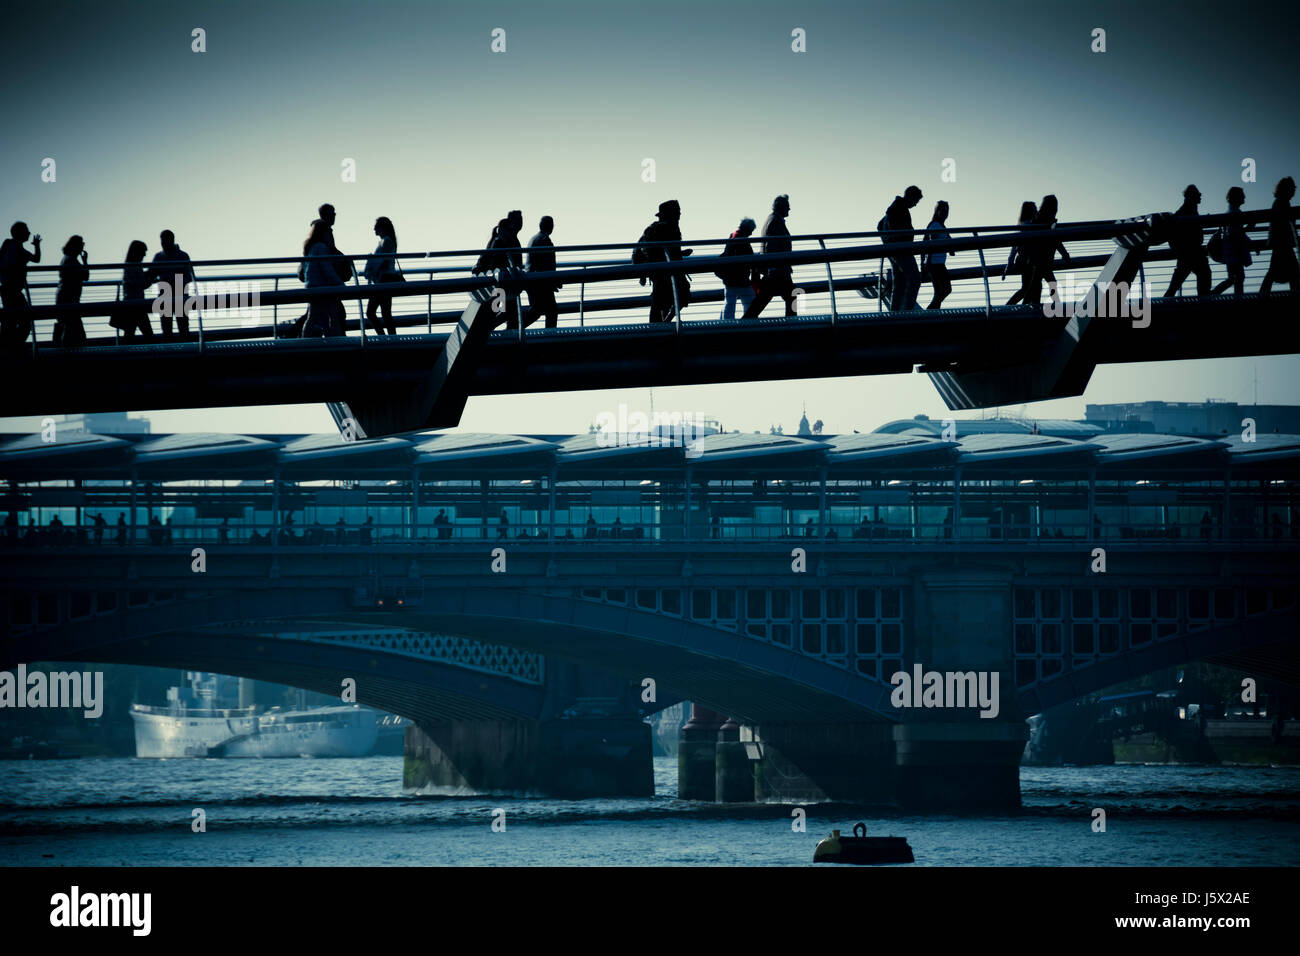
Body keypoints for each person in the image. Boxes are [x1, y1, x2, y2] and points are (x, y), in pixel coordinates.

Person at [633, 200, 691, 323]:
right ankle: (664, 323)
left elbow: (642, 249)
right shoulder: (670, 228)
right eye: (677, 212)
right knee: (679, 293)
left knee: (661, 300)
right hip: (665, 270)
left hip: (657, 270)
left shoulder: (653, 228)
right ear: (671, 214)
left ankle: (660, 325)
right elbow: (666, 251)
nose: (679, 215)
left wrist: (642, 274)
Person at [742, 195, 796, 318]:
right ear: (781, 207)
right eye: (787, 206)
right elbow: (770, 245)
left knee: (764, 299)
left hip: (776, 269)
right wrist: (772, 268)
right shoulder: (774, 222)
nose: (789, 209)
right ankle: (793, 324)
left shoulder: (773, 220)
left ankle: (746, 321)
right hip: (777, 270)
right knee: (791, 296)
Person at [472, 211, 525, 329]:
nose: (521, 223)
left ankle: (496, 331)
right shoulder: (502, 240)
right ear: (511, 223)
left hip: (504, 281)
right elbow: (496, 262)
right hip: (500, 282)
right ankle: (486, 329)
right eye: (519, 220)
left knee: (508, 310)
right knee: (504, 310)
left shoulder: (506, 239)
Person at [301, 220, 350, 337]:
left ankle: (304, 343)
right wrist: (340, 284)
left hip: (313, 287)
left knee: (313, 316)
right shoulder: (321, 247)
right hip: (323, 287)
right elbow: (327, 269)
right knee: (333, 315)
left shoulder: (312, 248)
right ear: (323, 233)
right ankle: (336, 343)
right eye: (328, 232)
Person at [1164, 185, 1211, 297]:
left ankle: (1166, 300)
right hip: (1192, 251)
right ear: (1192, 196)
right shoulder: (1188, 210)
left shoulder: (1186, 209)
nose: (1200, 197)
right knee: (1203, 274)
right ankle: (1203, 302)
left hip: (1186, 251)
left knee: (1178, 279)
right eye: (1198, 195)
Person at [880, 186, 923, 310]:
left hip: (894, 250)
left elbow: (879, 225)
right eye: (916, 201)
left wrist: (887, 243)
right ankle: (907, 310)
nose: (915, 205)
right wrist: (905, 236)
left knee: (900, 282)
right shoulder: (899, 208)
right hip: (901, 250)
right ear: (910, 196)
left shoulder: (895, 207)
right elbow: (895, 229)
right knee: (915, 279)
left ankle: (895, 312)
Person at [148, 230, 195, 341]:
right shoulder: (182, 255)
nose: (163, 243)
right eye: (162, 241)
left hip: (173, 294)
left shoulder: (160, 257)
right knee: (173, 327)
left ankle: (173, 350)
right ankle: (183, 350)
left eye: (164, 240)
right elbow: (190, 276)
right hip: (174, 294)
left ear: (171, 240)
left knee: (178, 326)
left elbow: (150, 275)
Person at [0, 222, 40, 346]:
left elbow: (36, 259)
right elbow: (36, 259)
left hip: (9, 289)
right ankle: (12, 346)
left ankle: (9, 345)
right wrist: (37, 246)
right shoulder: (16, 248)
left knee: (10, 320)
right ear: (20, 232)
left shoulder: (11, 245)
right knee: (23, 319)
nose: (29, 233)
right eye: (27, 230)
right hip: (11, 289)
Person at [363, 216, 403, 335]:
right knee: (385, 312)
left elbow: (384, 262)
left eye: (376, 226)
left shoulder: (386, 241)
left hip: (383, 279)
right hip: (384, 279)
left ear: (382, 227)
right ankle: (391, 338)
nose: (374, 228)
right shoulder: (386, 241)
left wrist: (372, 270)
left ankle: (385, 337)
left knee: (371, 312)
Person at [1259, 176, 1298, 295]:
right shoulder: (1283, 203)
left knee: (1276, 270)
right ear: (1287, 189)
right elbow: (1284, 223)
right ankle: (1295, 294)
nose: (1293, 191)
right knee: (1293, 270)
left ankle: (1262, 294)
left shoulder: (1280, 202)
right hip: (1282, 241)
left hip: (1279, 242)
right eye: (1292, 188)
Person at [716, 217, 760, 320]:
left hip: (730, 279)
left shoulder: (733, 237)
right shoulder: (742, 241)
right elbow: (748, 258)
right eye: (751, 231)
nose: (751, 234)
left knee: (730, 304)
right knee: (750, 302)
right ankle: (750, 323)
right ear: (747, 229)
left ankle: (726, 324)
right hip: (741, 280)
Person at [1211, 187, 1251, 297]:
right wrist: (1248, 229)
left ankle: (1214, 294)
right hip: (1234, 252)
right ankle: (1237, 299)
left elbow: (1236, 232)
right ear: (1236, 197)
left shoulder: (1231, 211)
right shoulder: (1234, 212)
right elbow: (1236, 233)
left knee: (1233, 278)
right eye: (1242, 195)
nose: (1244, 197)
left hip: (1231, 252)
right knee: (1237, 278)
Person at [114, 240, 155, 342]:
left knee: (130, 333)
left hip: (132, 304)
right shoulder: (132, 266)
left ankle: (124, 354)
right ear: (137, 252)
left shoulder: (131, 266)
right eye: (143, 252)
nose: (144, 255)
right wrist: (150, 278)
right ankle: (154, 354)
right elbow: (139, 284)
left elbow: (137, 281)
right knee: (147, 334)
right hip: (135, 305)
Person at [53, 235, 90, 347]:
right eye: (81, 244)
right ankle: (63, 350)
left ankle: (61, 348)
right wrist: (85, 261)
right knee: (74, 329)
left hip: (66, 297)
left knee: (67, 325)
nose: (83, 246)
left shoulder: (67, 258)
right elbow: (86, 276)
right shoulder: (71, 260)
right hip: (69, 298)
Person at [525, 215, 561, 329]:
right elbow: (546, 264)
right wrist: (552, 280)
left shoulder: (534, 238)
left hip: (533, 280)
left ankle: (515, 327)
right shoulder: (545, 240)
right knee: (550, 311)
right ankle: (550, 335)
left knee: (538, 311)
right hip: (541, 283)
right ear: (550, 226)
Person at [1003, 201, 1037, 305]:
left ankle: (1011, 307)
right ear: (1031, 212)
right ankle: (1011, 307)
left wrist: (1009, 265)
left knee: (1027, 288)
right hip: (1028, 262)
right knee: (1028, 288)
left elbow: (1013, 249)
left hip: (1022, 261)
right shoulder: (1031, 227)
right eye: (1035, 209)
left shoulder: (1021, 226)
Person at [921, 200, 953, 309]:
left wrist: (951, 249)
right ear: (936, 211)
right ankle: (929, 312)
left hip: (937, 263)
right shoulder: (935, 225)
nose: (945, 212)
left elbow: (948, 240)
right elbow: (929, 244)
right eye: (942, 210)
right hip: (934, 263)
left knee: (940, 291)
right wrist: (925, 264)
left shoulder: (941, 226)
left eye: (946, 210)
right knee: (945, 289)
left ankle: (932, 313)